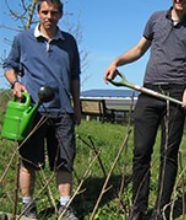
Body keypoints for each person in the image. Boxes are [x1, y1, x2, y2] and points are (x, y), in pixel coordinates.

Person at [104, 0, 186, 219]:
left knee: (168, 154)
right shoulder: (155, 18)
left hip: (177, 92)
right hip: (149, 91)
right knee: (141, 152)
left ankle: (162, 209)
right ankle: (138, 208)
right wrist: (117, 62)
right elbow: (140, 49)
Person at [3, 0, 81, 219]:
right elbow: (9, 66)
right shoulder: (23, 39)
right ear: (38, 13)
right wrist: (15, 83)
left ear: (61, 15)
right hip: (32, 111)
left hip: (63, 111)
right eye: (45, 12)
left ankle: (65, 206)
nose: (49, 16)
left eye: (54, 13)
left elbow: (75, 76)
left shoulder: (69, 42)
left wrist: (77, 106)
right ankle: (28, 205)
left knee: (64, 161)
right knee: (28, 161)